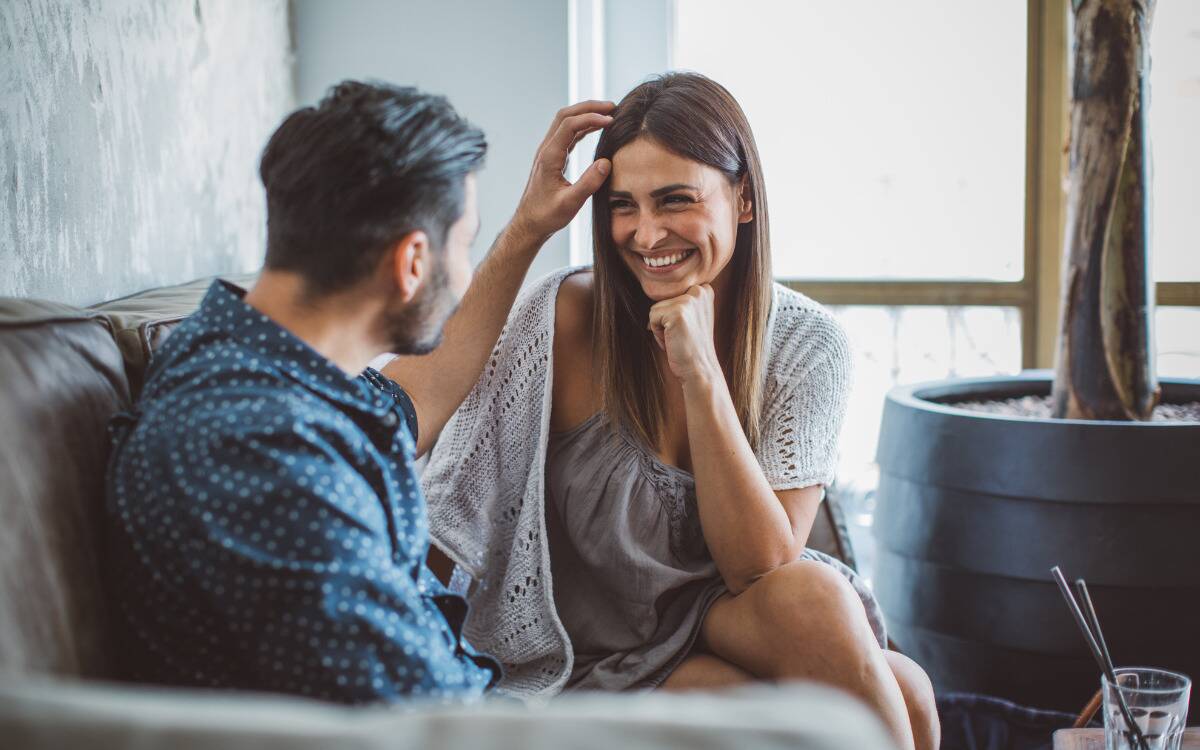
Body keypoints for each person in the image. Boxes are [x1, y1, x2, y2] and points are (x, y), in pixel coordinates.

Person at [407, 73, 940, 750]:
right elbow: (436, 432)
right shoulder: (567, 318)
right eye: (623, 205)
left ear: (743, 199)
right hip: (589, 655)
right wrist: (531, 223)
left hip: (728, 617)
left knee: (900, 681)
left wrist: (701, 374)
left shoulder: (809, 346)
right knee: (833, 707)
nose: (645, 232)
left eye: (675, 200)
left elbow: (760, 567)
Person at [104, 80, 614, 704]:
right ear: (410, 263)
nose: (461, 274)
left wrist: (526, 230)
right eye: (464, 244)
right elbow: (429, 719)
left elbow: (415, 402)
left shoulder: (261, 367)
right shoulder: (259, 454)